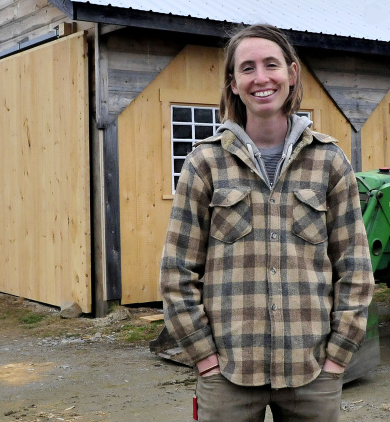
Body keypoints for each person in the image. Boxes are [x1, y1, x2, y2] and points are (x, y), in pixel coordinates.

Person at [160, 24, 374, 421]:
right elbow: (176, 272)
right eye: (248, 68)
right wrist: (204, 357)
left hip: (312, 373)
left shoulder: (329, 162)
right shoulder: (205, 164)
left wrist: (337, 358)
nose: (261, 78)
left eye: (271, 65)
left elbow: (355, 270)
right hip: (228, 373)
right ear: (234, 82)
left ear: (292, 74)